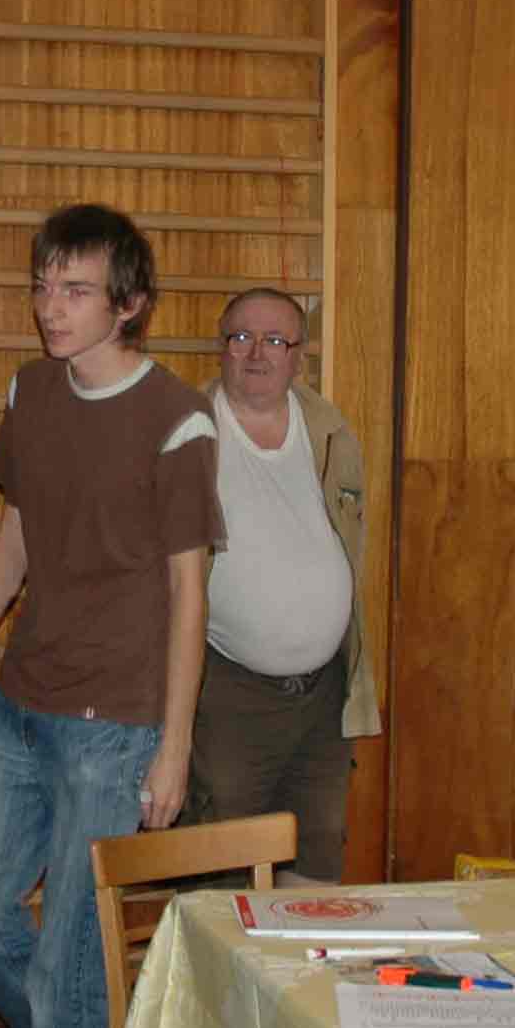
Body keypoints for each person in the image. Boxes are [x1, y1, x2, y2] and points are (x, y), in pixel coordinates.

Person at [0, 203, 221, 1028]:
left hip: (118, 723)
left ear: (127, 304)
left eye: (77, 289)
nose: (51, 307)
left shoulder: (178, 419)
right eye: (44, 286)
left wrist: (174, 746)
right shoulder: (31, 391)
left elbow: (190, 595)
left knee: (68, 962)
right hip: (22, 704)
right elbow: (16, 533)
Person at [182, 287, 379, 882]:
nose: (256, 353)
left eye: (275, 340)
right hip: (228, 694)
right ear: (221, 348)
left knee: (316, 866)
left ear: (298, 356)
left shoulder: (331, 431)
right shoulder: (186, 432)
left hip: (323, 698)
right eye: (242, 337)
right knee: (222, 871)